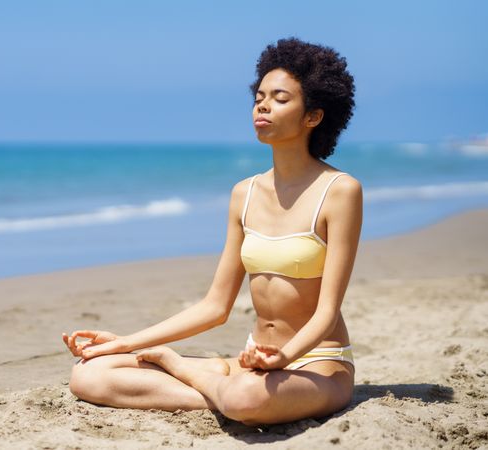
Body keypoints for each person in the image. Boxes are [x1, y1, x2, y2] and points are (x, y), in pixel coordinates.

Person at [62, 36, 362, 426]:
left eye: (280, 98)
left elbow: (327, 312)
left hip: (317, 366)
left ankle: (195, 376)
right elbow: (215, 307)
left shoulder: (340, 192)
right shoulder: (245, 194)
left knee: (247, 399)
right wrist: (124, 342)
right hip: (252, 363)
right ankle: (217, 388)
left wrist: (284, 358)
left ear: (313, 116)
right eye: (259, 96)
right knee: (89, 375)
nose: (263, 104)